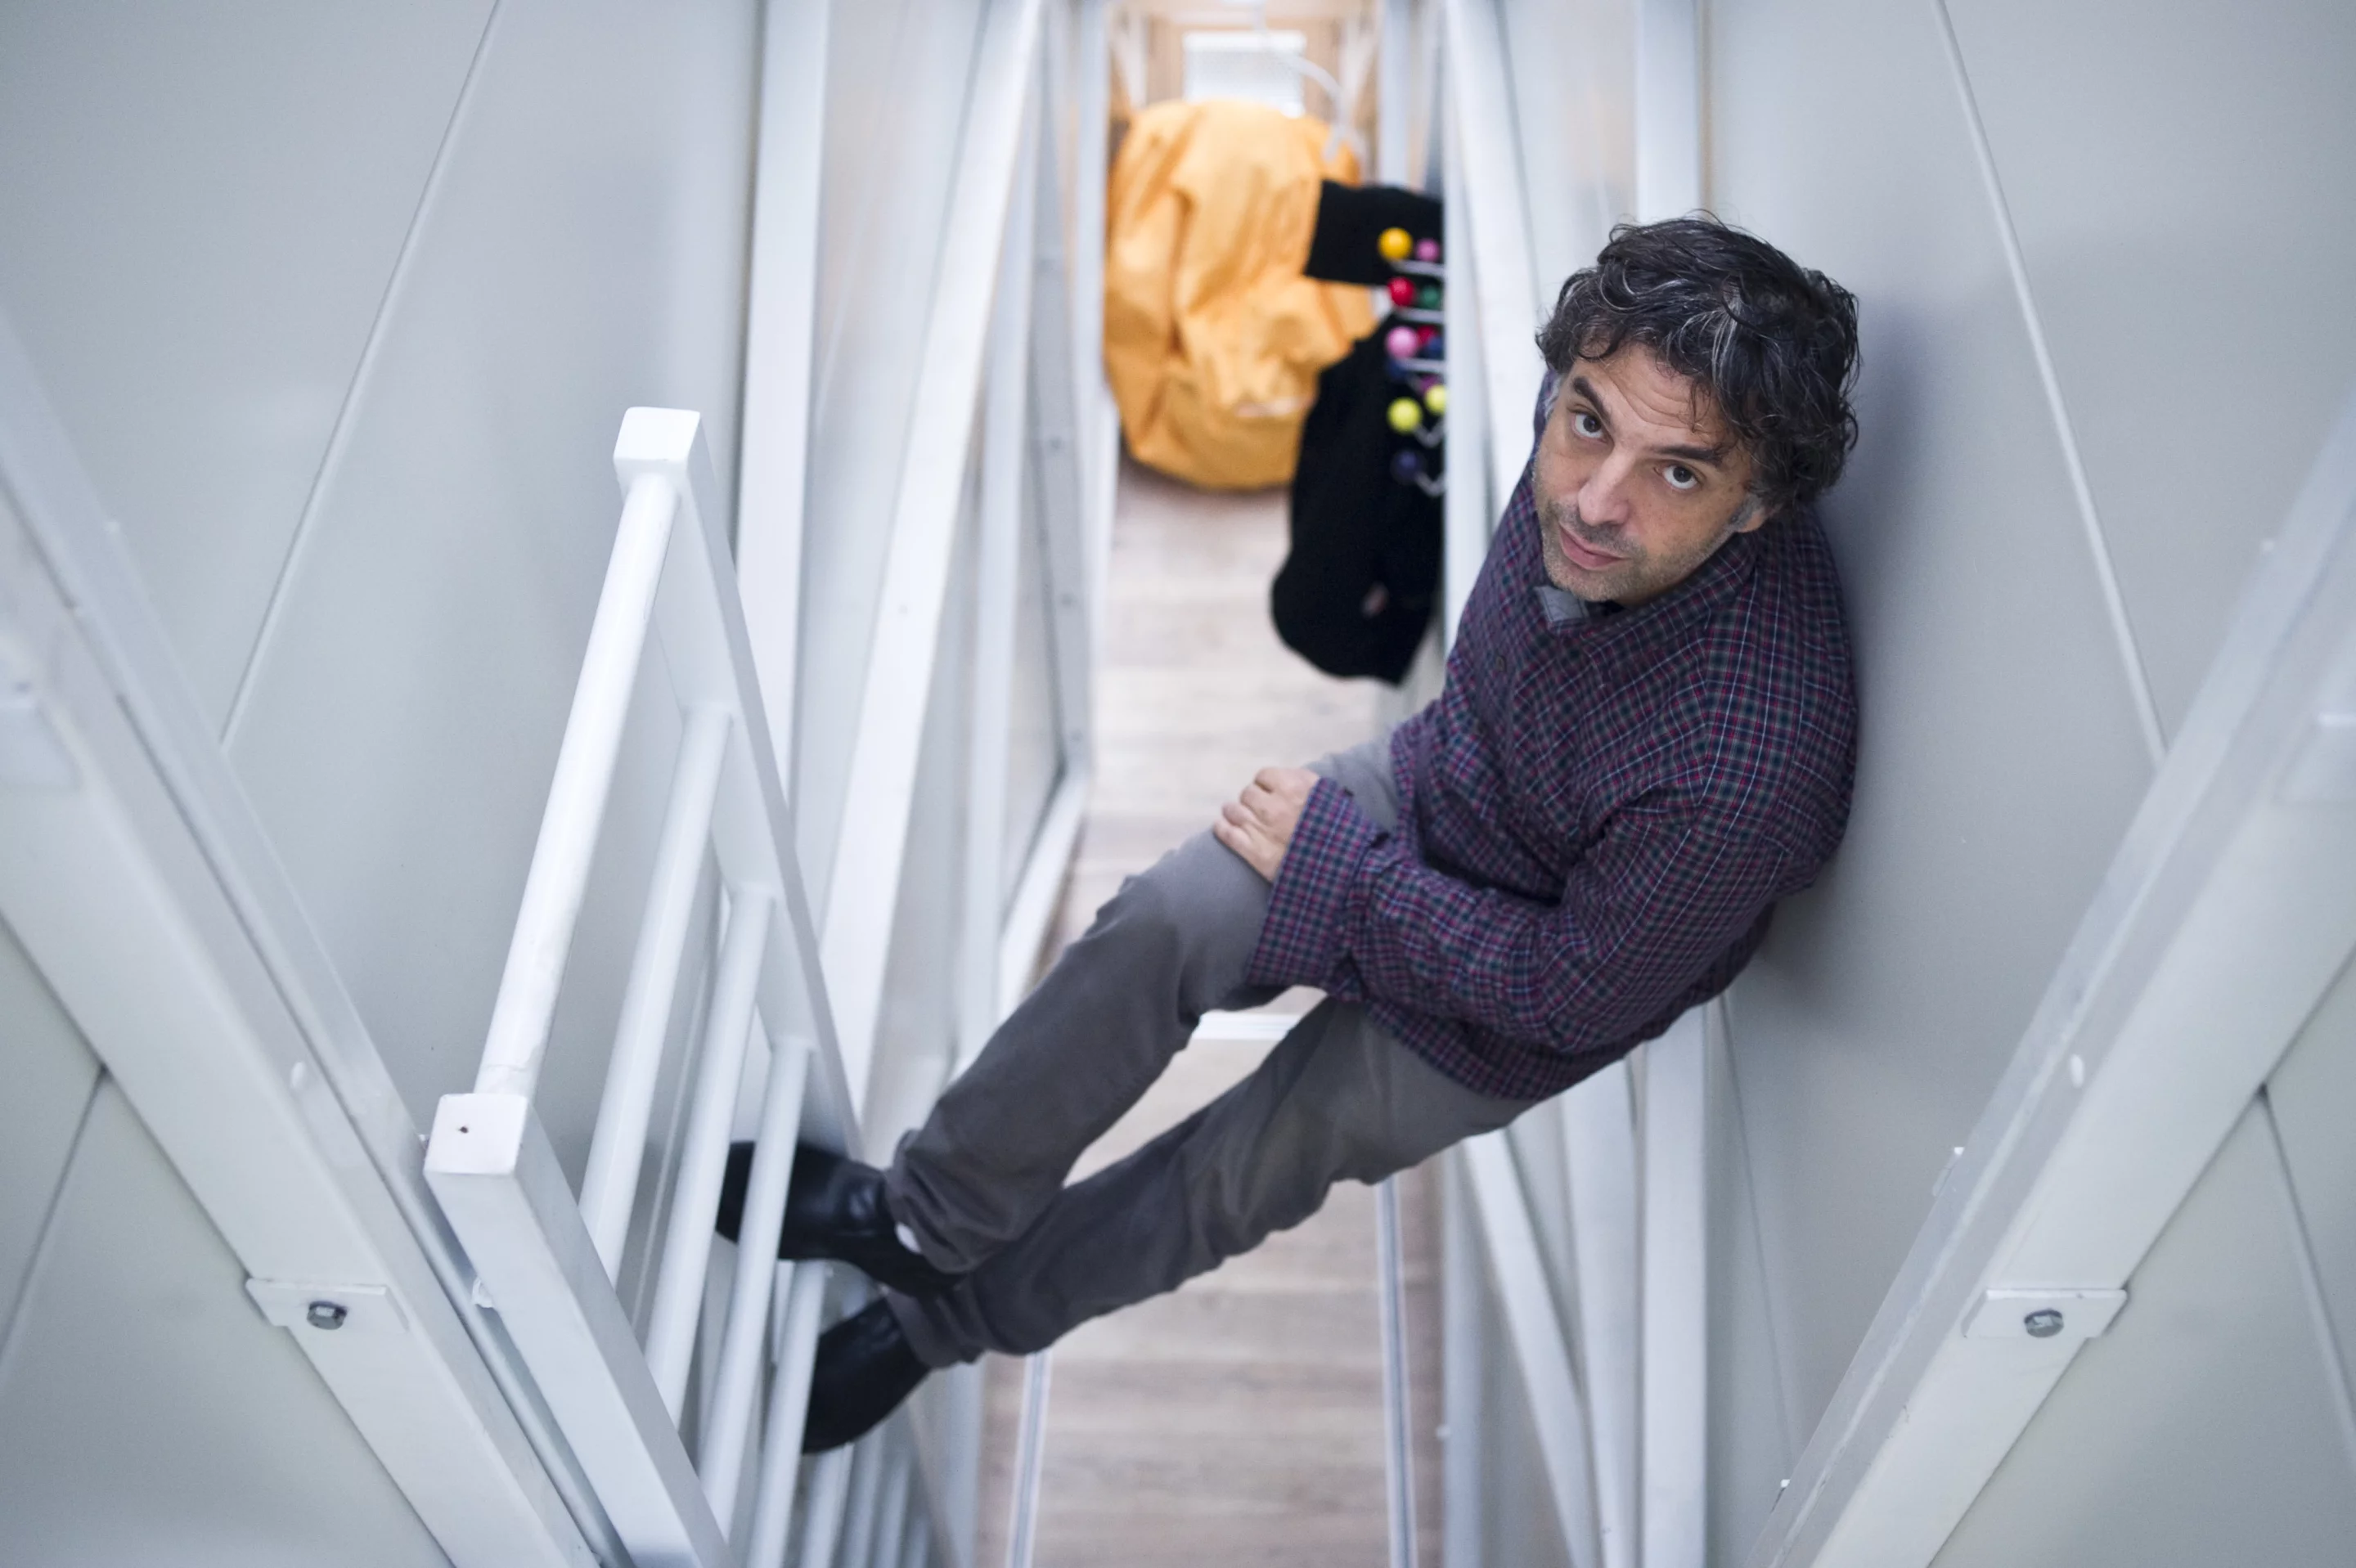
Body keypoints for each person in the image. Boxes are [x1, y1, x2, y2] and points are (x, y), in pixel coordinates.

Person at [726, 216, 1863, 1452]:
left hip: (1502, 1008)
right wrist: (1362, 855)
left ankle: (934, 1328)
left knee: (1232, 1171)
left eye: (1678, 473)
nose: (1595, 499)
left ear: (1758, 508)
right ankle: (923, 1218)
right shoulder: (1591, 423)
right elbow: (1565, 521)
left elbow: (1567, 995)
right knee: (1170, 915)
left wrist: (1347, 879)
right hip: (1444, 788)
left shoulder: (1748, 768)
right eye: (1589, 422)